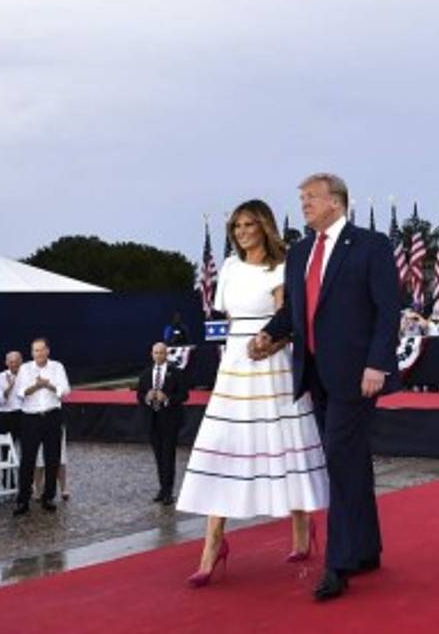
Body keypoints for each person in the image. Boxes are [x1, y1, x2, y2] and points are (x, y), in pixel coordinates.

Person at [255, 174, 401, 603]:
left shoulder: (371, 245)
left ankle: (338, 564)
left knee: (338, 460)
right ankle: (367, 549)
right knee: (350, 461)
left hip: (357, 376)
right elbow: (297, 312)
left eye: (311, 198)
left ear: (335, 202)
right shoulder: (300, 252)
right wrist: (269, 333)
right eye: (301, 197)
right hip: (314, 374)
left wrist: (378, 363)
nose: (303, 204)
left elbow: (388, 311)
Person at [178, 199, 328, 586]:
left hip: (273, 361)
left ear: (265, 226)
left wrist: (270, 345)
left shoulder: (282, 267)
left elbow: (290, 319)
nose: (243, 231)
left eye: (250, 224)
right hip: (235, 365)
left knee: (283, 442)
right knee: (225, 445)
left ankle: (301, 525)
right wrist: (239, 353)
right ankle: (212, 544)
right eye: (237, 226)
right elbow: (228, 317)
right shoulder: (227, 267)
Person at [13, 338, 70, 516]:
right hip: (31, 418)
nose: (39, 353)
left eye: (41, 350)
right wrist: (36, 386)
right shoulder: (25, 368)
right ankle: (23, 500)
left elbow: (65, 390)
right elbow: (20, 392)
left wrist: (48, 385)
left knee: (52, 458)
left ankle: (48, 497)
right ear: (32, 353)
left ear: (48, 351)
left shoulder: (57, 367)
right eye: (35, 350)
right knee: (28, 459)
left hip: (52, 415)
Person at [136, 341, 188, 505]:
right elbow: (139, 395)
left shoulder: (176, 373)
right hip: (152, 421)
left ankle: (168, 491)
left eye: (161, 353)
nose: (158, 355)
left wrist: (167, 399)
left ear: (167, 354)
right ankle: (162, 488)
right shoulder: (145, 374)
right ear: (152, 354)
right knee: (159, 456)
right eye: (156, 353)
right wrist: (147, 397)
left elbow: (185, 395)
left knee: (168, 456)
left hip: (170, 421)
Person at [0, 350, 24, 444]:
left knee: (27, 445)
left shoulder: (27, 375)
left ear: (21, 361)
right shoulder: (0, 377)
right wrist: (9, 387)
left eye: (17, 361)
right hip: (6, 415)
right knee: (6, 446)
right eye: (11, 362)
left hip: (24, 414)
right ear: (6, 363)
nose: (14, 364)